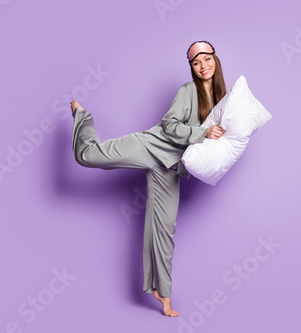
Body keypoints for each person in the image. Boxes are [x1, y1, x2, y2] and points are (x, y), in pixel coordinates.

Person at [69, 40, 226, 317]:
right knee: (88, 157)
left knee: (164, 230)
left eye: (206, 59)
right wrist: (203, 134)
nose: (203, 66)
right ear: (191, 66)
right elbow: (170, 125)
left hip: (170, 167)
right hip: (150, 146)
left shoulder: (221, 99)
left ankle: (163, 295)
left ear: (215, 58)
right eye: (196, 62)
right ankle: (82, 116)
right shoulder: (188, 90)